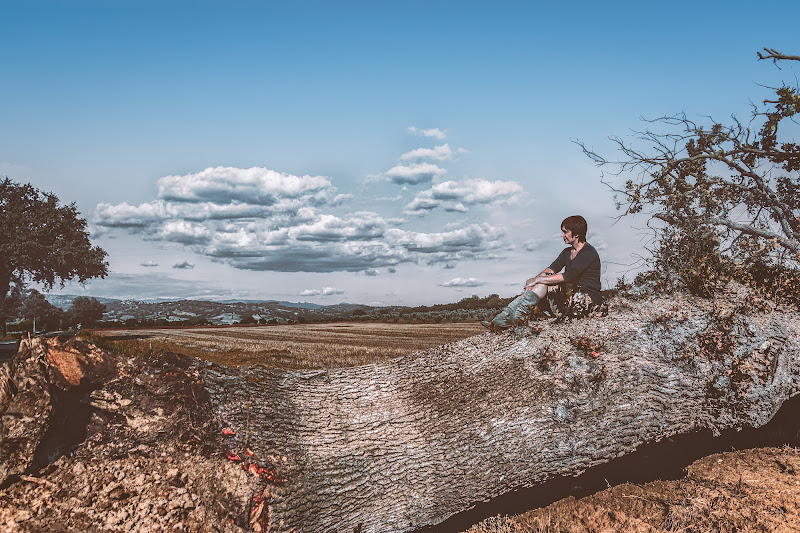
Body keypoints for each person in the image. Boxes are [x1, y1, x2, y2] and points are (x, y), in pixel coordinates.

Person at [482, 215, 607, 333]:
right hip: (571, 295)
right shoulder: (567, 252)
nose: (562, 235)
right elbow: (552, 268)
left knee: (544, 282)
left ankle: (514, 318)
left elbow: (568, 276)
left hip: (587, 299)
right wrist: (533, 281)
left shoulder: (588, 252)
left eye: (565, 231)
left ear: (577, 233)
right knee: (543, 281)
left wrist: (538, 281)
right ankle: (505, 317)